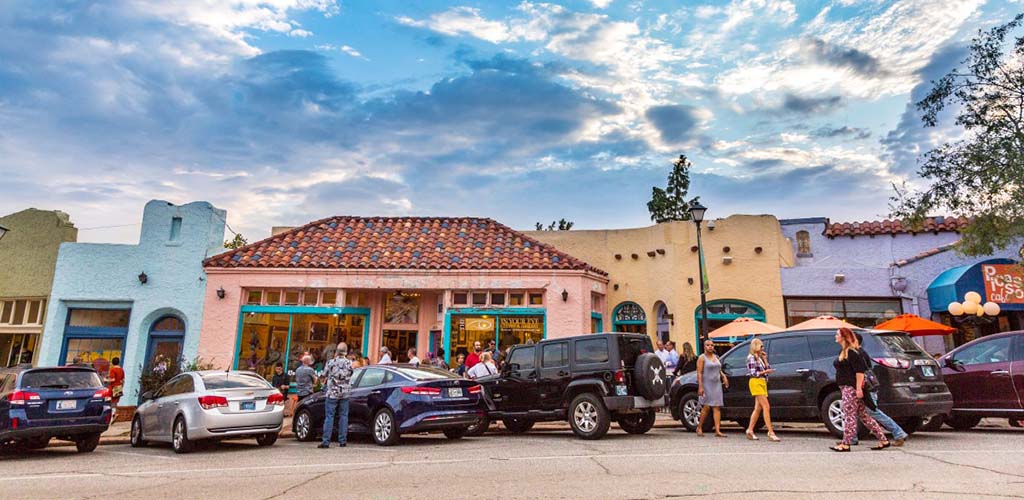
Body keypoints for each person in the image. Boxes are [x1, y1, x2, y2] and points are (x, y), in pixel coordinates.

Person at [831, 328, 889, 452]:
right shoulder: (845, 351)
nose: (835, 336)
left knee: (849, 415)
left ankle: (846, 443)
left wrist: (858, 388)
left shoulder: (852, 352)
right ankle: (883, 439)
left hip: (850, 388)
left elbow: (859, 372)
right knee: (864, 416)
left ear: (844, 337)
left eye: (837, 334)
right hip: (846, 387)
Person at [848, 334, 908, 447]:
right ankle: (852, 438)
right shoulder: (861, 352)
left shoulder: (858, 353)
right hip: (868, 385)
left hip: (866, 387)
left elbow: (859, 371)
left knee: (873, 411)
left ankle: (898, 433)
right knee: (854, 411)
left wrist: (859, 387)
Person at [319, 342, 354, 449]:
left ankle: (326, 441)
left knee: (330, 416)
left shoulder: (331, 362)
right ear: (346, 352)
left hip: (333, 392)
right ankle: (342, 440)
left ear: (337, 352)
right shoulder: (349, 363)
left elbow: (323, 375)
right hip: (345, 392)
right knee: (343, 416)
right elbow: (351, 374)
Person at [745, 338, 780, 442]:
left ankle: (750, 430)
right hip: (756, 382)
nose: (762, 348)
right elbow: (753, 372)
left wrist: (765, 360)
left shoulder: (759, 358)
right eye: (761, 346)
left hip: (762, 382)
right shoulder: (751, 358)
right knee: (766, 406)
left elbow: (767, 368)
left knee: (758, 408)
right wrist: (764, 372)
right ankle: (770, 432)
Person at [696, 339, 728, 437]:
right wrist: (700, 386)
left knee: (717, 406)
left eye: (712, 345)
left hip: (716, 384)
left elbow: (719, 369)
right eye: (708, 345)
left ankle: (717, 430)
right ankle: (699, 427)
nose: (710, 347)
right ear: (704, 347)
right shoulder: (702, 358)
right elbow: (699, 372)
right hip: (707, 384)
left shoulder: (716, 357)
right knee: (706, 406)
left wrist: (724, 376)